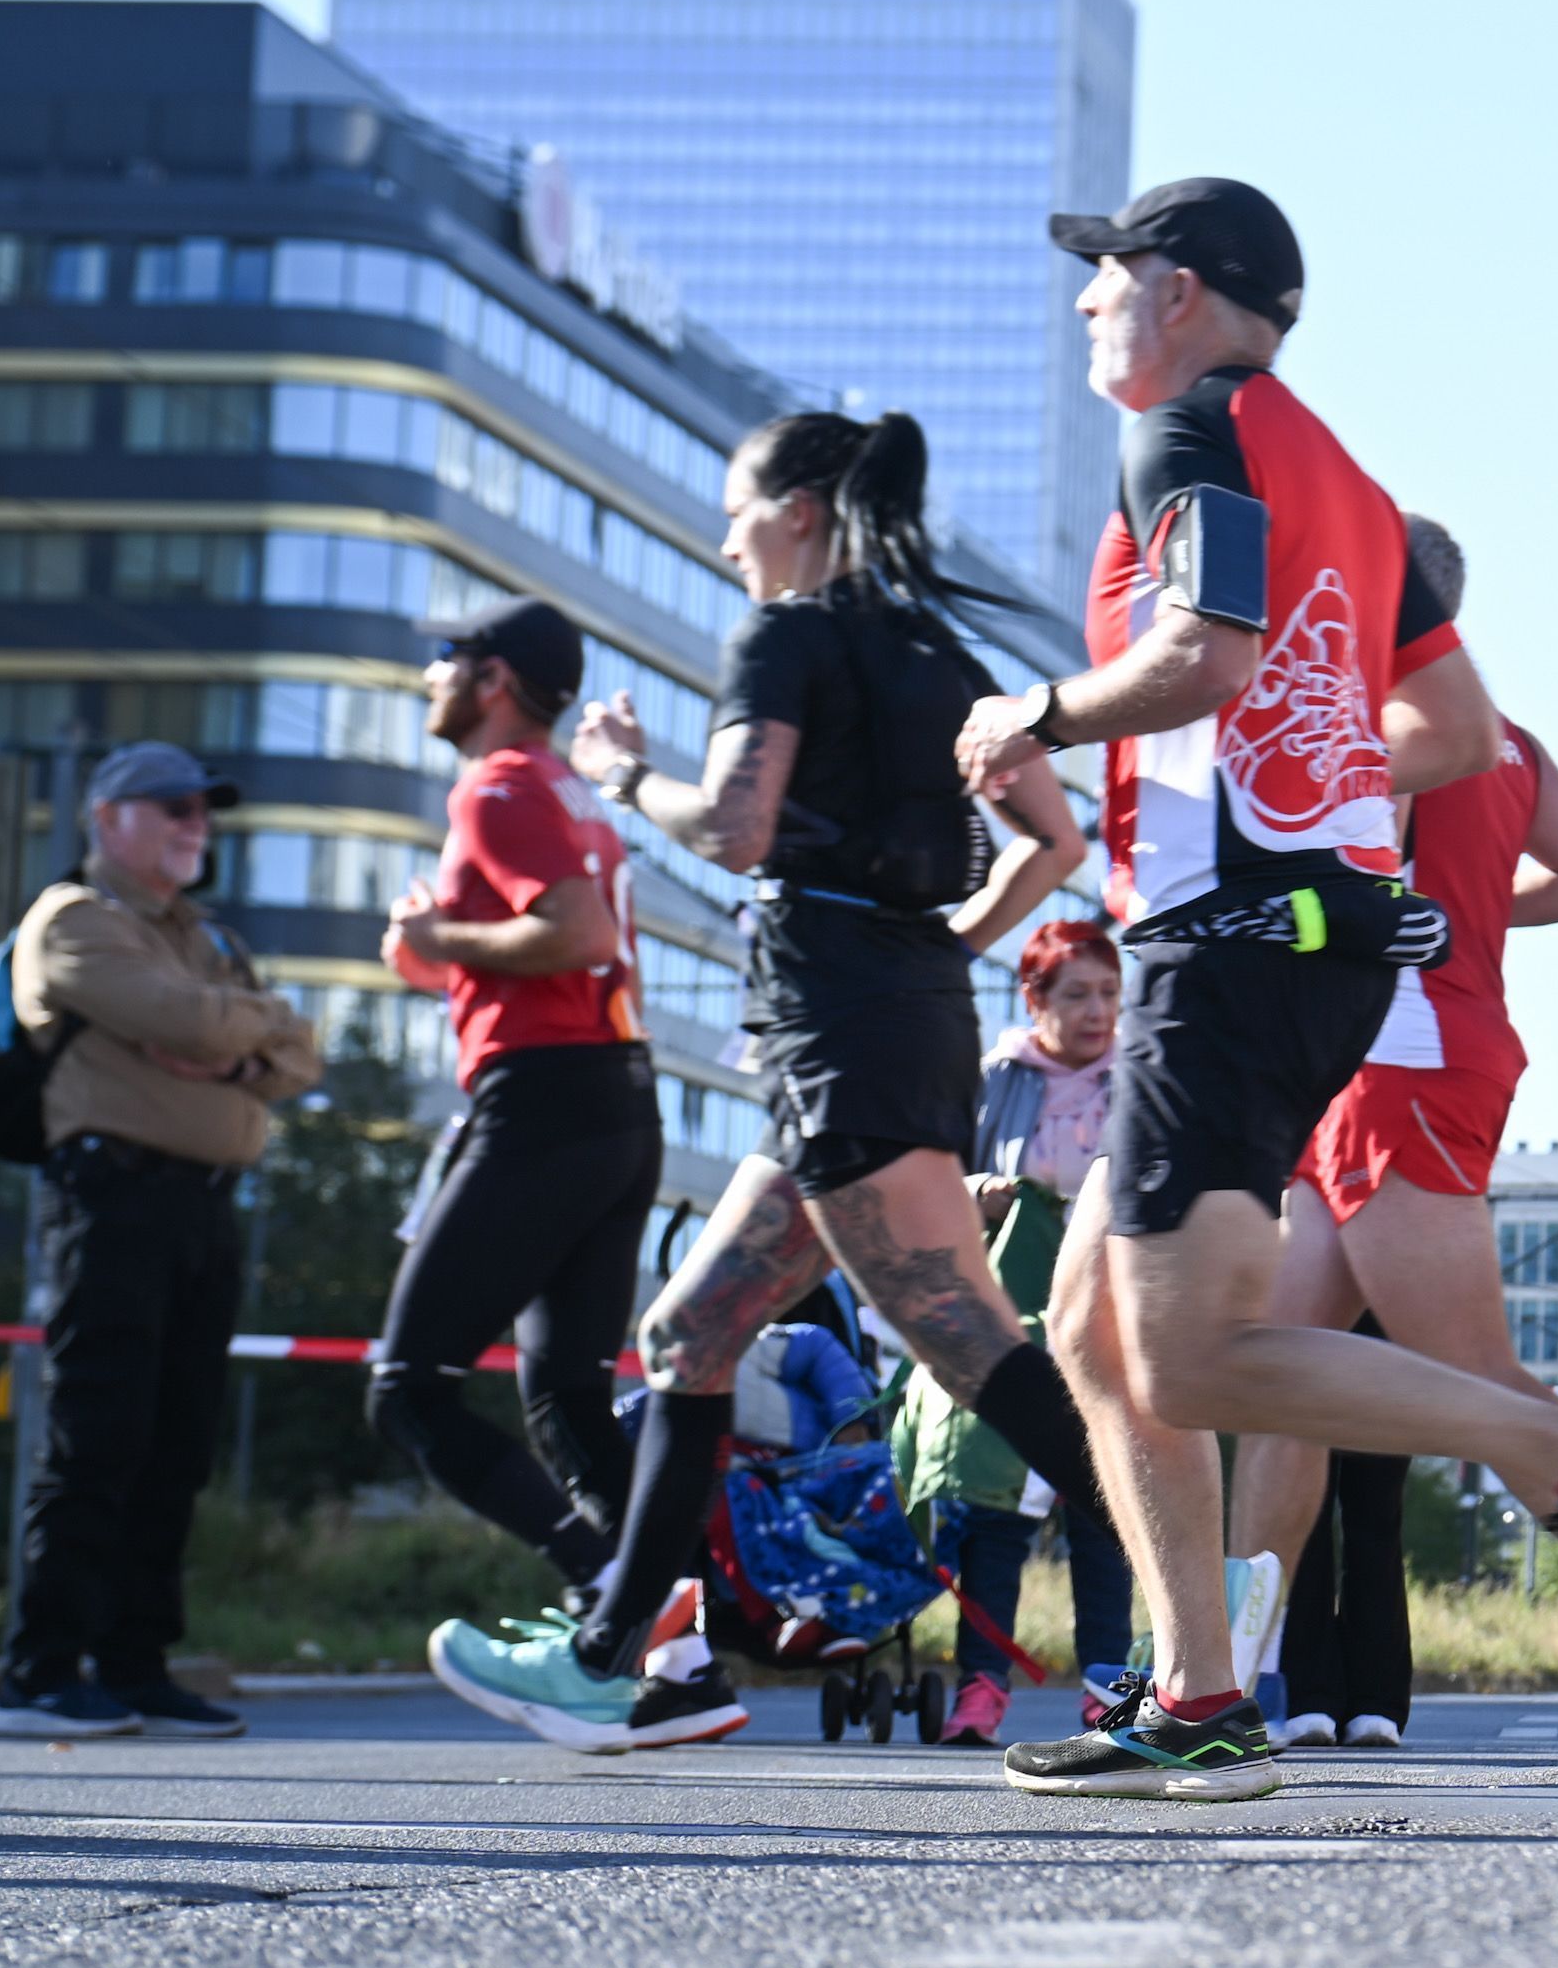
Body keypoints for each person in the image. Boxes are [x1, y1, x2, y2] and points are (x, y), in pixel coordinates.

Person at [954, 180, 1558, 1798]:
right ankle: (1202, 1694)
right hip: (1295, 951)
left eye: (1109, 278)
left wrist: (1040, 718)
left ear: (1187, 294)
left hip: (1227, 953)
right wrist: (1318, 788)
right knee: (1089, 1332)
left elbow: (1204, 653)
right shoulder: (1343, 477)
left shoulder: (1188, 437)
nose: (1086, 306)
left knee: (1189, 1357)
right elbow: (1461, 731)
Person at [425, 416, 1100, 1753]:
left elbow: (737, 829)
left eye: (738, 511)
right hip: (890, 1013)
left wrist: (624, 778)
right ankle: (621, 1656)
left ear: (798, 509)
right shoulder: (938, 655)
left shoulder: (789, 636)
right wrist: (948, 944)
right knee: (690, 1334)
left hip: (844, 1019)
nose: (727, 537)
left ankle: (1207, 1576)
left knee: (965, 1341)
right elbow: (1057, 836)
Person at [1216, 514, 1558, 1725]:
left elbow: (1343, 889)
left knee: (1472, 1376)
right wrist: (1476, 918)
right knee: (1278, 1382)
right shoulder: (1509, 743)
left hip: (1390, 1059)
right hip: (1391, 1060)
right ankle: (1223, 1676)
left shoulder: (1372, 728)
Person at [0, 742, 322, 1738]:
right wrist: (236, 1033)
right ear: (105, 818)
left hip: (203, 1206)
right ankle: (41, 1670)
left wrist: (227, 1036)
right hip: (113, 1199)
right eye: (173, 806)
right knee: (97, 1433)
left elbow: (297, 1053)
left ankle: (136, 1664)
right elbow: (174, 1015)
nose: (196, 824)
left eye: (204, 810)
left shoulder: (207, 937)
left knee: (176, 1443)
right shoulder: (73, 920)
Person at [361, 596, 653, 1600]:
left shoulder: (494, 788)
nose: (429, 673)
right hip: (614, 1097)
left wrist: (441, 942)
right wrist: (444, 961)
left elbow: (575, 936)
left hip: (545, 1100)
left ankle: (603, 1593)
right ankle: (668, 1641)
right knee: (569, 1396)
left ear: (492, 680)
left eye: (446, 654)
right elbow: (573, 954)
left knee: (409, 1391)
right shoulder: (573, 791)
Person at [900, 909, 1141, 1743]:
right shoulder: (996, 1079)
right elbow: (938, 1176)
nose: (1096, 1011)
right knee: (993, 1507)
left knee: (1108, 1503)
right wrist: (976, 1192)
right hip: (1009, 1311)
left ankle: (1113, 1687)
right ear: (1033, 997)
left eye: (1109, 992)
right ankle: (981, 1686)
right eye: (1077, 993)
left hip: (1109, 1310)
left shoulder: (1140, 1078)